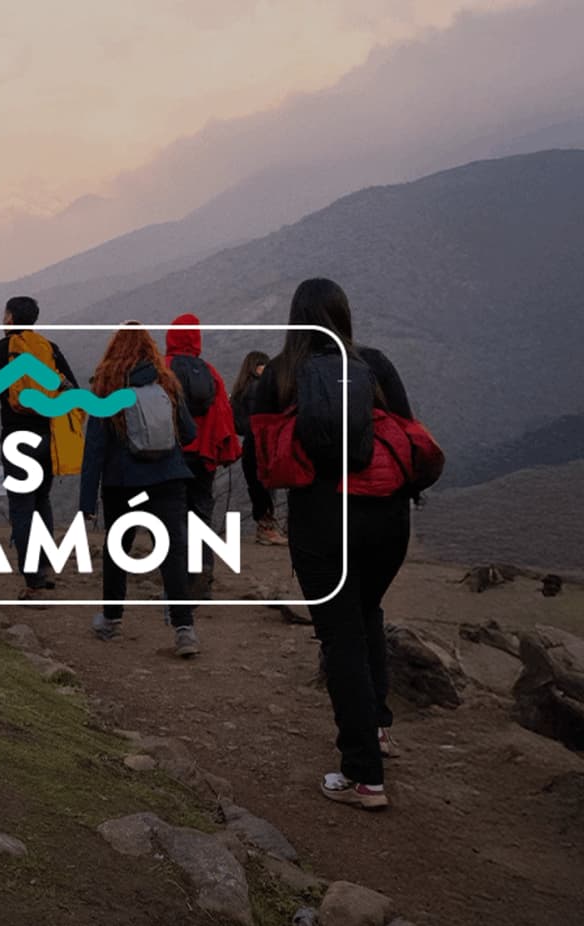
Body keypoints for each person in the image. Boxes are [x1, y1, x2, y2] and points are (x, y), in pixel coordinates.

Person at [252, 278, 414, 810]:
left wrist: (268, 516)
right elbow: (409, 434)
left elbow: (263, 461)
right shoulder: (374, 364)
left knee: (340, 636)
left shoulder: (278, 375)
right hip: (387, 516)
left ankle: (363, 775)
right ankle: (380, 728)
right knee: (368, 613)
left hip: (322, 518)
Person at [80, 324, 199, 655]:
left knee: (118, 551)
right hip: (169, 480)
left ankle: (111, 620)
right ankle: (184, 630)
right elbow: (188, 433)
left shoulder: (107, 384)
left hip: (124, 484)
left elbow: (95, 448)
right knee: (172, 553)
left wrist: (86, 501)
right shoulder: (166, 382)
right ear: (150, 348)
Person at [0, 295, 78, 592]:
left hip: (17, 439)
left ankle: (32, 578)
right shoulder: (50, 350)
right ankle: (45, 567)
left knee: (21, 506)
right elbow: (72, 390)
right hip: (48, 438)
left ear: (9, 318)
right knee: (42, 501)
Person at [165, 313, 241, 598]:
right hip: (204, 455)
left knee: (175, 515)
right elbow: (223, 415)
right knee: (201, 513)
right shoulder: (211, 372)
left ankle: (183, 579)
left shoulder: (164, 368)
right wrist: (225, 451)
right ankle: (204, 570)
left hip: (172, 454)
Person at [230, 350, 285, 544]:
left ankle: (265, 527)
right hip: (263, 444)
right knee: (265, 487)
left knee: (256, 487)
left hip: (249, 445)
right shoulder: (261, 389)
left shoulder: (239, 391)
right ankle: (267, 529)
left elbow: (237, 424)